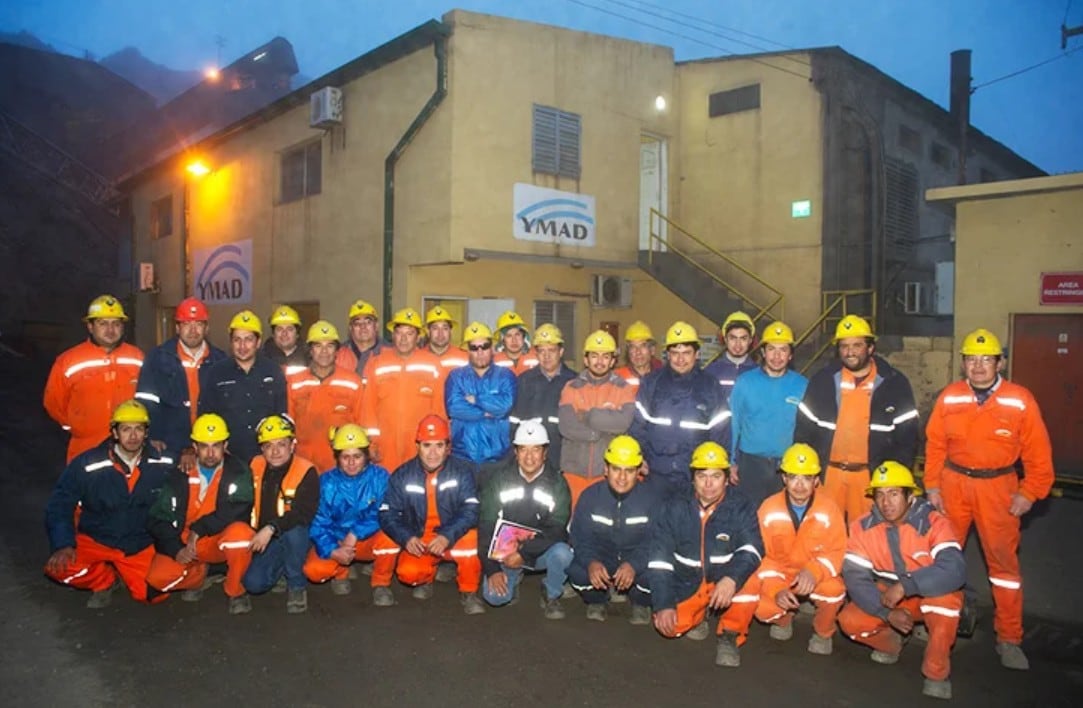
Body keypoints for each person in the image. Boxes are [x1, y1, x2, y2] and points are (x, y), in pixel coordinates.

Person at [923, 328, 1054, 671]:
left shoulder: (1019, 399)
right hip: (953, 485)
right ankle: (937, 625)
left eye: (986, 359)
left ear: (1001, 362)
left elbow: (1039, 457)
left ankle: (1009, 639)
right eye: (971, 359)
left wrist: (1029, 492)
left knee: (1004, 569)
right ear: (963, 364)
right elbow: (935, 445)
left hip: (999, 489)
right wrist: (932, 486)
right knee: (940, 557)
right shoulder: (950, 397)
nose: (978, 366)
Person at [839, 462, 966, 701]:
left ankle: (936, 673)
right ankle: (891, 643)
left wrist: (907, 585)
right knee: (849, 620)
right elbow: (856, 579)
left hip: (926, 594)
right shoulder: (862, 527)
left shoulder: (933, 522)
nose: (886, 503)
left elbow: (955, 569)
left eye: (894, 493)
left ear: (910, 496)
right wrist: (885, 613)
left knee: (945, 601)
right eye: (880, 495)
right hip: (888, 598)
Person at [44, 400, 173, 607]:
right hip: (97, 538)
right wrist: (63, 544)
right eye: (126, 429)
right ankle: (104, 580)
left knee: (155, 592)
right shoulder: (88, 463)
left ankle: (126, 570)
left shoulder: (161, 464)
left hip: (138, 543)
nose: (133, 436)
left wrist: (189, 453)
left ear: (146, 433)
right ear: (114, 432)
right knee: (60, 568)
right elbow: (60, 504)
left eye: (139, 429)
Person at [646, 442, 763, 667]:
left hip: (725, 578)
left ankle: (730, 633)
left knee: (752, 578)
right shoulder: (673, 506)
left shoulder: (742, 505)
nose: (709, 484)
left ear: (727, 478)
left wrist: (732, 579)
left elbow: (752, 548)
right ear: (692, 478)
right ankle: (699, 616)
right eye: (702, 476)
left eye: (716, 476)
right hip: (687, 580)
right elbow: (659, 559)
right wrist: (663, 604)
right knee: (670, 628)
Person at [794, 314, 919, 523]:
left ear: (870, 348)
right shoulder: (822, 381)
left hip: (869, 478)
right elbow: (803, 430)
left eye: (857, 345)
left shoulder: (894, 384)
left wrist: (891, 482)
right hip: (828, 475)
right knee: (823, 531)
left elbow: (907, 439)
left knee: (869, 536)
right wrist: (807, 473)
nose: (849, 352)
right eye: (844, 346)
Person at [145, 414, 256, 614]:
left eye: (216, 446)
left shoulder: (239, 471)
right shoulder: (180, 474)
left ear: (226, 445)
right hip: (185, 541)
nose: (211, 453)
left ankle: (235, 590)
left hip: (218, 538)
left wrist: (199, 529)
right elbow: (158, 517)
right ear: (194, 447)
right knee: (157, 579)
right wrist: (176, 548)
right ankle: (199, 575)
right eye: (204, 446)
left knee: (242, 536)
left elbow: (239, 509)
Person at [375, 415, 484, 615]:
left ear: (448, 447)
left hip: (452, 535)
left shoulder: (462, 471)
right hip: (420, 537)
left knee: (472, 538)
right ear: (417, 446)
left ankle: (468, 591)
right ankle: (425, 576)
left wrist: (447, 535)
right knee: (408, 573)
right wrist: (406, 537)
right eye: (427, 445)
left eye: (439, 445)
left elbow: (472, 509)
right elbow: (386, 513)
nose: (433, 453)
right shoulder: (402, 474)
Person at [743, 443, 846, 655]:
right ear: (784, 479)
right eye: (793, 477)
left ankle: (823, 633)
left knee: (834, 591)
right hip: (780, 574)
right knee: (762, 608)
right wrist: (776, 590)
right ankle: (783, 619)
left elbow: (837, 551)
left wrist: (814, 572)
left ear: (816, 480)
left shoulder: (829, 509)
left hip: (813, 573)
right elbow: (761, 554)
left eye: (807, 478)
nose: (799, 485)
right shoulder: (769, 508)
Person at [478, 420, 573, 619]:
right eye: (523, 450)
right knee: (494, 597)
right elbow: (486, 525)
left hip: (539, 551)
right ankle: (514, 577)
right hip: (506, 553)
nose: (529, 457)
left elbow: (557, 529)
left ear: (545, 452)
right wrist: (492, 569)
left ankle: (551, 592)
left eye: (536, 450)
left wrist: (524, 553)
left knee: (564, 553)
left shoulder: (557, 483)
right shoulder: (499, 480)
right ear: (516, 452)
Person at [629, 321, 730, 495]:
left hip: (694, 477)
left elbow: (721, 434)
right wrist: (640, 458)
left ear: (697, 354)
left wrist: (711, 471)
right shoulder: (651, 383)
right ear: (667, 354)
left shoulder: (711, 386)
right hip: (656, 474)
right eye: (675, 353)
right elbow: (638, 426)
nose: (680, 359)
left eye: (686, 353)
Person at [567, 435, 659, 624]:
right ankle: (598, 599)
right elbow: (579, 537)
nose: (622, 478)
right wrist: (591, 562)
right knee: (577, 572)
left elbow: (656, 541)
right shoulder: (590, 496)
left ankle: (639, 601)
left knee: (659, 573)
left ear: (638, 471)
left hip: (635, 561)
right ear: (606, 469)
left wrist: (634, 565)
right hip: (603, 558)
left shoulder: (652, 499)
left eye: (629, 471)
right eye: (616, 469)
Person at [44, 294, 145, 461]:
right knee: (84, 486)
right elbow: (53, 402)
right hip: (85, 446)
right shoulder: (68, 361)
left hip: (130, 449)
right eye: (103, 323)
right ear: (90, 326)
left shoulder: (138, 358)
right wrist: (77, 428)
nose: (110, 330)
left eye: (116, 324)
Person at [303, 425, 395, 598]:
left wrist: (354, 533)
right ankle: (341, 573)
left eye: (357, 456)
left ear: (366, 456)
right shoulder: (326, 483)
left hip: (367, 540)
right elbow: (317, 522)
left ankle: (381, 583)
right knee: (314, 571)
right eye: (345, 457)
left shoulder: (380, 477)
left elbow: (383, 511)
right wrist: (333, 550)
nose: (351, 463)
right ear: (337, 458)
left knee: (390, 537)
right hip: (337, 541)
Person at [242, 414, 320, 614]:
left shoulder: (306, 471)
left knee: (294, 531)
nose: (275, 451)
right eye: (268, 445)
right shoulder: (254, 466)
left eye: (281, 444)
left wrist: (271, 528)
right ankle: (281, 570)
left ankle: (296, 584)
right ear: (261, 449)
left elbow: (303, 513)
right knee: (253, 584)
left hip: (296, 534)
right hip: (265, 538)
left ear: (292, 445)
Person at [136, 297, 228, 460]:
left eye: (198, 324)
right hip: (167, 446)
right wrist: (153, 435)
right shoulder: (157, 358)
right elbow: (146, 401)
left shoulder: (220, 361)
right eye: (186, 324)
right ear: (177, 328)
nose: (193, 330)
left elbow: (226, 405)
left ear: (207, 328)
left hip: (210, 445)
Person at [728, 321, 808, 506]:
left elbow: (808, 429)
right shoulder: (745, 382)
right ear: (763, 352)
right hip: (751, 465)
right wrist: (731, 461)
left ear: (790, 355)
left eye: (783, 350)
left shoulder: (802, 385)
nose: (777, 356)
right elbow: (734, 424)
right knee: (750, 517)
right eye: (771, 349)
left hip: (788, 467)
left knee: (781, 518)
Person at [360, 307, 445, 473]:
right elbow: (367, 409)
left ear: (419, 336)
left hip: (420, 447)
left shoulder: (432, 364)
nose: (404, 339)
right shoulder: (377, 363)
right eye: (399, 333)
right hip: (385, 448)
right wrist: (370, 443)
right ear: (393, 335)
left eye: (410, 333)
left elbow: (439, 410)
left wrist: (437, 444)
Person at [197, 310, 288, 466]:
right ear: (231, 342)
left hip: (266, 457)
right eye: (237, 340)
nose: (242, 346)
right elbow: (205, 414)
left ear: (258, 342)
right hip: (228, 458)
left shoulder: (273, 371)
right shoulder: (216, 373)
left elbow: (282, 413)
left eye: (248, 340)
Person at [558, 329, 636, 506]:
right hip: (574, 473)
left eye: (605, 356)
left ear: (613, 361)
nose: (599, 361)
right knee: (574, 525)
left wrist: (588, 415)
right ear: (586, 359)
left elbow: (623, 423)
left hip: (607, 475)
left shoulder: (623, 389)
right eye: (594, 356)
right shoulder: (571, 387)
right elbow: (567, 426)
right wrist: (599, 433)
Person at [286, 320, 364, 473]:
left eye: (329, 346)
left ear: (337, 351)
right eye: (318, 346)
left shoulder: (352, 382)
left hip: (340, 465)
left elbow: (361, 423)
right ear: (310, 350)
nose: (324, 352)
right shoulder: (294, 382)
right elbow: (289, 425)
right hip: (303, 463)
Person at [445, 321, 516, 464]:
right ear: (467, 350)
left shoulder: (506, 376)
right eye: (474, 347)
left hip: (497, 458)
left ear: (493, 349)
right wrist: (485, 413)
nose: (480, 352)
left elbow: (505, 405)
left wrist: (476, 400)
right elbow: (454, 408)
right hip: (462, 457)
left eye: (484, 346)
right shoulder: (456, 377)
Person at [509, 323, 577, 467]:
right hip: (531, 459)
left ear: (561, 351)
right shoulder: (524, 380)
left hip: (563, 458)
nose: (546, 356)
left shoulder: (574, 382)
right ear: (536, 353)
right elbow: (514, 422)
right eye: (541, 351)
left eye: (551, 350)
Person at [703, 311, 758, 404]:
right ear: (725, 339)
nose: (738, 344)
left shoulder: (759, 373)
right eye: (733, 338)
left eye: (743, 338)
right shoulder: (710, 372)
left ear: (750, 341)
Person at [336, 299, 383, 377]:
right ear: (350, 328)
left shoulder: (390, 352)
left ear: (377, 326)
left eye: (368, 322)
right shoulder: (338, 355)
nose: (363, 327)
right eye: (357, 323)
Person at [613, 320, 662, 390]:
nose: (638, 352)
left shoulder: (663, 377)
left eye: (643, 346)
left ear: (652, 350)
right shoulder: (617, 377)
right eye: (633, 347)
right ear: (628, 352)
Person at [425, 306, 468, 382]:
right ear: (428, 332)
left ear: (450, 332)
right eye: (435, 328)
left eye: (445, 328)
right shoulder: (417, 358)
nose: (440, 333)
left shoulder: (465, 358)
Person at [263, 305, 307, 376]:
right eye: (279, 329)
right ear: (273, 334)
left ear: (297, 334)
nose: (284, 333)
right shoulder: (261, 359)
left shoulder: (310, 358)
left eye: (289, 329)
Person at [493, 310, 539, 375]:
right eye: (509, 336)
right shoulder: (494, 361)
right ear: (502, 340)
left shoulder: (538, 356)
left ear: (524, 337)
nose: (514, 340)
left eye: (517, 335)